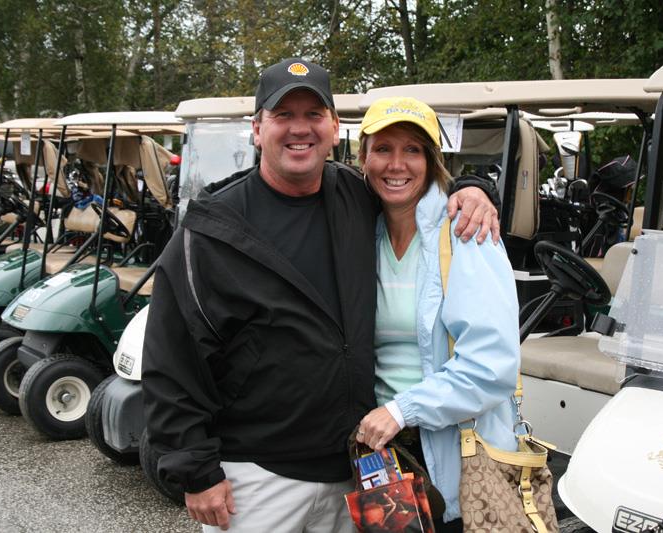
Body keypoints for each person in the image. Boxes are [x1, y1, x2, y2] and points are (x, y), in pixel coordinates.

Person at [142, 58, 500, 532]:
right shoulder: (213, 229)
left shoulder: (357, 198)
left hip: (357, 467)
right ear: (257, 129)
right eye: (283, 115)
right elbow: (172, 356)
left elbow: (411, 183)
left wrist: (474, 189)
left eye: (313, 114)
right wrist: (193, 468)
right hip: (256, 476)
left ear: (333, 128)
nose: (300, 129)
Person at [354, 97, 521, 532]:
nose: (397, 164)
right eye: (383, 149)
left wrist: (402, 410)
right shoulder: (360, 234)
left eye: (412, 149)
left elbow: (492, 366)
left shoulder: (466, 232)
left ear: (432, 161)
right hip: (384, 453)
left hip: (452, 458)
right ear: (364, 159)